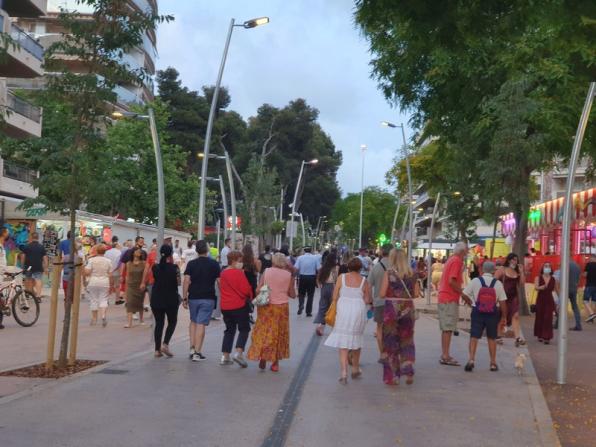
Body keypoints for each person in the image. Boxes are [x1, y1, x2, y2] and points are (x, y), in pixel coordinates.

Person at [324, 257, 372, 384]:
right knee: (356, 339)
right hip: (358, 310)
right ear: (360, 268)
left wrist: (344, 298)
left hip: (343, 309)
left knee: (343, 343)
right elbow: (367, 300)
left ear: (348, 267)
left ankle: (344, 372)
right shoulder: (364, 281)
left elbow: (334, 296)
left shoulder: (342, 278)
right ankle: (355, 368)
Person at [248, 253, 296, 371]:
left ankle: (263, 357)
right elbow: (292, 294)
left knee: (264, 331)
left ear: (273, 261)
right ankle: (275, 363)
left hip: (266, 306)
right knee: (279, 333)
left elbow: (258, 289)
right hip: (282, 307)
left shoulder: (267, 271)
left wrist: (265, 291)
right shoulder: (289, 275)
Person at [379, 248, 418, 385]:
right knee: (406, 339)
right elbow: (416, 294)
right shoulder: (412, 273)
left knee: (390, 342)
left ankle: (393, 376)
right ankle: (408, 369)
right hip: (407, 309)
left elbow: (382, 293)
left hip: (391, 310)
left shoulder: (389, 273)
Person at [461, 261, 508, 372]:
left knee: (474, 336)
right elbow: (502, 303)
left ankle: (471, 359)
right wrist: (504, 317)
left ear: (482, 270)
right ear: (493, 271)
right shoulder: (498, 284)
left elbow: (464, 294)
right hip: (492, 313)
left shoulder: (475, 281)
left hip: (477, 312)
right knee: (491, 337)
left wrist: (470, 302)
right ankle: (492, 363)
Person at [183, 240, 221, 361]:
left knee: (193, 321)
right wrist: (224, 295)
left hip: (193, 297)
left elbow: (186, 281)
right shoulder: (214, 264)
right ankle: (197, 352)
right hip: (208, 297)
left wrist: (184, 297)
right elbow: (219, 282)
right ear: (207, 249)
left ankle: (192, 348)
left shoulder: (191, 264)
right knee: (201, 324)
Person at [219, 250, 253, 367]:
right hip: (238, 305)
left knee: (229, 330)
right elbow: (245, 290)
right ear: (233, 261)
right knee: (244, 329)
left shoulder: (223, 272)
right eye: (239, 261)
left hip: (225, 306)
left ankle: (225, 356)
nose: (241, 263)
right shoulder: (239, 273)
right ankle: (238, 352)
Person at [437, 242, 467, 366]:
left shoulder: (451, 260)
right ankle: (445, 355)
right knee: (448, 328)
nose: (467, 254)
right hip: (449, 298)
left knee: (446, 328)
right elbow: (452, 281)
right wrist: (463, 293)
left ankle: (445, 354)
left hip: (444, 297)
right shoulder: (457, 261)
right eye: (466, 252)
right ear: (462, 252)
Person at [148, 244, 180, 358]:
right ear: (171, 254)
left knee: (159, 323)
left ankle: (157, 350)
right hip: (171, 299)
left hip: (157, 299)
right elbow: (178, 283)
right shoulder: (175, 268)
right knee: (172, 322)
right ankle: (165, 344)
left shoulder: (155, 267)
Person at [494, 253, 526, 346]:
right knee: (502, 316)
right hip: (502, 296)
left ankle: (517, 338)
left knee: (515, 316)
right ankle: (498, 336)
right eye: (512, 259)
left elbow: (522, 283)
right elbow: (494, 280)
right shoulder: (502, 270)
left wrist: (522, 271)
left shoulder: (517, 272)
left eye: (516, 260)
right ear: (508, 260)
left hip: (513, 297)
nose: (514, 261)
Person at [367, 243, 391, 359]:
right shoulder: (397, 267)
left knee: (380, 328)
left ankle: (383, 354)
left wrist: (370, 299)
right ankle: (393, 353)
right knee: (393, 329)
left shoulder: (376, 267)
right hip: (395, 303)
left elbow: (368, 284)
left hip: (379, 302)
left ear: (381, 252)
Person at [84, 244, 113, 327]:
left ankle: (94, 318)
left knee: (93, 300)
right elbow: (110, 274)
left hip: (93, 281)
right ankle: (103, 316)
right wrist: (111, 284)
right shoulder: (108, 261)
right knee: (103, 299)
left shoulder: (92, 260)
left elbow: (87, 272)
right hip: (104, 281)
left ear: (96, 251)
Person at [314, 250, 339, 336]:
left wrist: (320, 286)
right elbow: (336, 279)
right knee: (333, 307)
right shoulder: (335, 268)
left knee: (323, 307)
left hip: (324, 288)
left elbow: (317, 279)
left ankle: (320, 326)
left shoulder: (323, 267)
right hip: (332, 287)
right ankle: (334, 328)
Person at [534, 262, 558, 344]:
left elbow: (556, 290)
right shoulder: (538, 278)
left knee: (548, 318)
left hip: (549, 300)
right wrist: (541, 287)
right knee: (540, 317)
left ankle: (546, 336)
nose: (547, 267)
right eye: (545, 266)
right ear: (542, 268)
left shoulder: (554, 279)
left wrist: (559, 301)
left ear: (551, 269)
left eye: (549, 266)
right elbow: (536, 288)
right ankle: (540, 335)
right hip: (540, 300)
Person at [294, 246, 321, 316]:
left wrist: (293, 275)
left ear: (304, 251)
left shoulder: (300, 258)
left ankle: (301, 304)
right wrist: (318, 278)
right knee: (310, 295)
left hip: (302, 277)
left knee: (301, 293)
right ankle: (308, 312)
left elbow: (296, 268)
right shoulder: (315, 258)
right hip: (312, 277)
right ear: (311, 251)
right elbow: (319, 269)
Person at [21, 232, 48, 299]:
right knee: (38, 280)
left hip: (29, 266)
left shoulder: (27, 246)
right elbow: (45, 258)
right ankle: (38, 296)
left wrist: (22, 266)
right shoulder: (41, 247)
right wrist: (46, 267)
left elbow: (23, 256)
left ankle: (27, 294)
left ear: (31, 238)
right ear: (38, 238)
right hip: (38, 266)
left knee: (28, 279)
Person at [124, 247, 146, 328]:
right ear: (133, 253)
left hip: (140, 285)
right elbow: (127, 276)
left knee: (140, 302)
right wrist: (125, 288)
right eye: (137, 251)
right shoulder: (128, 263)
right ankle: (129, 323)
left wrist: (143, 283)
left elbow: (145, 274)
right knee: (129, 302)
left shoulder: (143, 263)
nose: (139, 252)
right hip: (131, 285)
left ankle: (141, 319)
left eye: (140, 251)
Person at [105, 236, 122, 304]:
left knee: (108, 286)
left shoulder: (107, 252)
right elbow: (119, 264)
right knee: (117, 286)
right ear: (117, 246)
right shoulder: (119, 253)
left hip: (108, 272)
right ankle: (117, 300)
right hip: (116, 272)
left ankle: (106, 300)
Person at [568, 258, 582, 331]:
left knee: (561, 305)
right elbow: (579, 278)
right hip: (574, 288)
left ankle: (558, 323)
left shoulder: (566, 265)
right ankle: (578, 324)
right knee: (575, 307)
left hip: (566, 289)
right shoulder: (577, 266)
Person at [583, 254, 596, 323]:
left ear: (592, 258)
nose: (589, 259)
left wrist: (583, 274)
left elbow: (585, 274)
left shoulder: (589, 265)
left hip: (589, 285)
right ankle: (592, 318)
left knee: (585, 300)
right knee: (594, 301)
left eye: (590, 258)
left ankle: (592, 314)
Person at [0, 228, 9, 329]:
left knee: (1, 296)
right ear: (3, 234)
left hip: (2, 275)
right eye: (7, 232)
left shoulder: (2, 246)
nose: (8, 233)